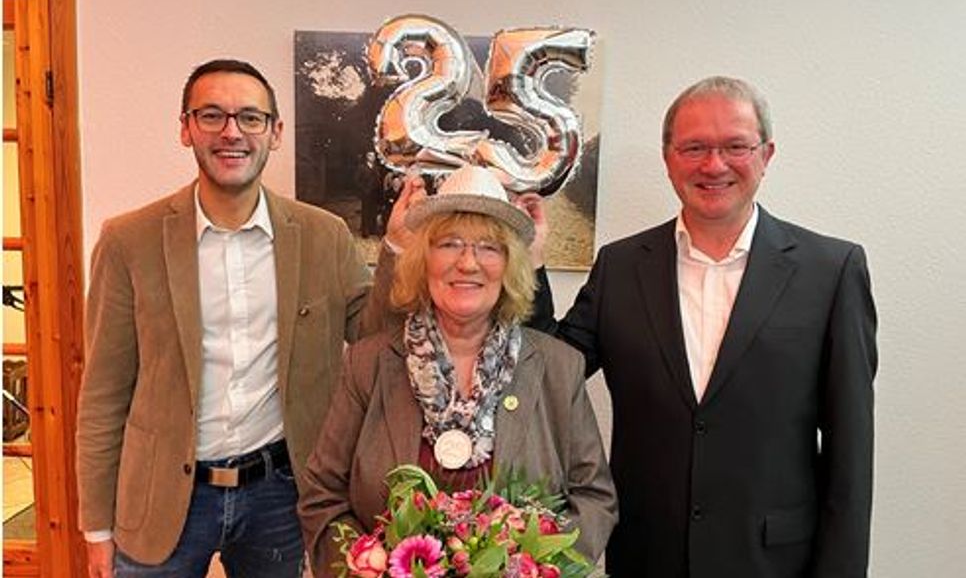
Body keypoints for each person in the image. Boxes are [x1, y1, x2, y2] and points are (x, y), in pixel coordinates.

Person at [527, 76, 878, 577]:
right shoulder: (621, 267)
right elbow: (547, 374)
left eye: (735, 146)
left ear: (766, 154)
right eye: (694, 147)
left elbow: (851, 453)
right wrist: (532, 264)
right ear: (668, 157)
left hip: (775, 563)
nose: (714, 165)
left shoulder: (831, 270)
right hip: (647, 557)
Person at [76, 58, 404, 576]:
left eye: (250, 118)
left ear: (274, 133)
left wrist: (398, 249)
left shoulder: (323, 236)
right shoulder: (128, 240)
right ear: (185, 129)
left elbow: (375, 335)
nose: (232, 132)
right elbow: (102, 394)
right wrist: (97, 529)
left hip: (279, 493)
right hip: (161, 496)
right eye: (212, 116)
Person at [297, 165, 618, 576]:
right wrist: (365, 570)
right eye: (449, 244)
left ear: (510, 265)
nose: (468, 263)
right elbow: (322, 495)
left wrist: (539, 569)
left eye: (489, 247)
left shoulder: (558, 366)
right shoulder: (367, 363)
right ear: (422, 259)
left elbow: (593, 497)